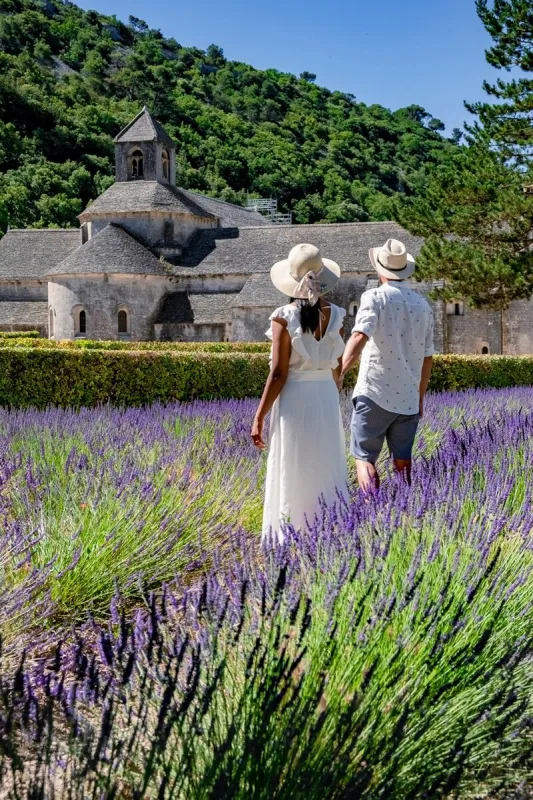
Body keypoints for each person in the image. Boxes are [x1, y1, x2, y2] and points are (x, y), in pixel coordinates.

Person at [252, 243, 349, 544]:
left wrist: (259, 416)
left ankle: (291, 529)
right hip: (325, 395)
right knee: (326, 458)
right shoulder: (336, 315)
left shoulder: (284, 316)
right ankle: (329, 529)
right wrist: (333, 385)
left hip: (296, 396)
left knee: (294, 460)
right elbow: (336, 365)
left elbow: (279, 373)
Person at [339, 238, 434, 491]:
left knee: (364, 458)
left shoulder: (374, 297)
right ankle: (404, 513)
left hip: (375, 392)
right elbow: (427, 358)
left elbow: (359, 336)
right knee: (403, 461)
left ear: (381, 270)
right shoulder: (423, 305)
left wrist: (338, 373)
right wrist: (420, 397)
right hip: (408, 399)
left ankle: (372, 513)